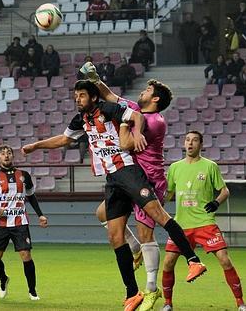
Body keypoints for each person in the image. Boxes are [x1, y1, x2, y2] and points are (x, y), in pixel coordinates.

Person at [21, 77, 207, 311]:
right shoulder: (81, 119)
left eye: (82, 95)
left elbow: (136, 115)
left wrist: (137, 133)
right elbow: (64, 139)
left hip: (128, 171)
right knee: (114, 235)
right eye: (76, 95)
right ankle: (132, 292)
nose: (77, 99)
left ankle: (193, 261)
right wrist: (36, 146)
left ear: (93, 97)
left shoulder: (109, 109)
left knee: (158, 216)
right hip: (112, 179)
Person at [92, 76, 173, 311]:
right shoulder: (137, 110)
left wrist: (127, 124)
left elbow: (126, 142)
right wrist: (94, 78)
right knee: (101, 213)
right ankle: (135, 248)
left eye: (148, 89)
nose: (143, 91)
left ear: (155, 98)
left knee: (147, 234)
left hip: (151, 181)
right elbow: (110, 96)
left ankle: (150, 289)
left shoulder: (155, 120)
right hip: (132, 180)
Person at [162, 131, 246, 311]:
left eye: (194, 140)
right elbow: (168, 195)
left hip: (205, 223)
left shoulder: (210, 166)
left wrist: (216, 202)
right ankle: (168, 304)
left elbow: (224, 191)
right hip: (181, 226)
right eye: (187, 140)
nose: (190, 143)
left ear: (201, 144)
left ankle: (241, 303)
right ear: (184, 143)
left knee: (225, 261)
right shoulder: (175, 168)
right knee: (168, 263)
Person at [0, 145, 48, 301]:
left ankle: (32, 291)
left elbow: (31, 197)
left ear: (13, 156)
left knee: (26, 255)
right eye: (3, 154)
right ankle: (3, 279)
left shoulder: (24, 175)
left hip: (20, 222)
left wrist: (41, 215)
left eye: (9, 153)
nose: (6, 156)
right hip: (1, 223)